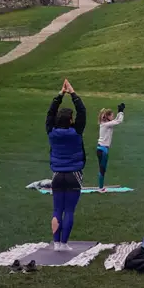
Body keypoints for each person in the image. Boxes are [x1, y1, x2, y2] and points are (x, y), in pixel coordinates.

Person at [46, 79, 87, 251]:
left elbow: (50, 113)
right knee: (69, 210)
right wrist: (72, 93)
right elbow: (82, 111)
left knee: (57, 209)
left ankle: (56, 244)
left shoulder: (52, 132)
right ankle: (64, 243)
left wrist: (59, 95)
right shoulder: (76, 131)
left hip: (57, 176)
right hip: (74, 176)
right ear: (71, 120)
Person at [96, 103, 125, 190]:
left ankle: (100, 186)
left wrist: (119, 113)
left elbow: (115, 120)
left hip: (101, 149)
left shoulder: (106, 123)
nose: (113, 117)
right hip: (103, 150)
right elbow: (118, 121)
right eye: (112, 115)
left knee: (102, 169)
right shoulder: (106, 124)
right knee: (102, 169)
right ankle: (100, 188)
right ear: (108, 116)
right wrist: (121, 112)